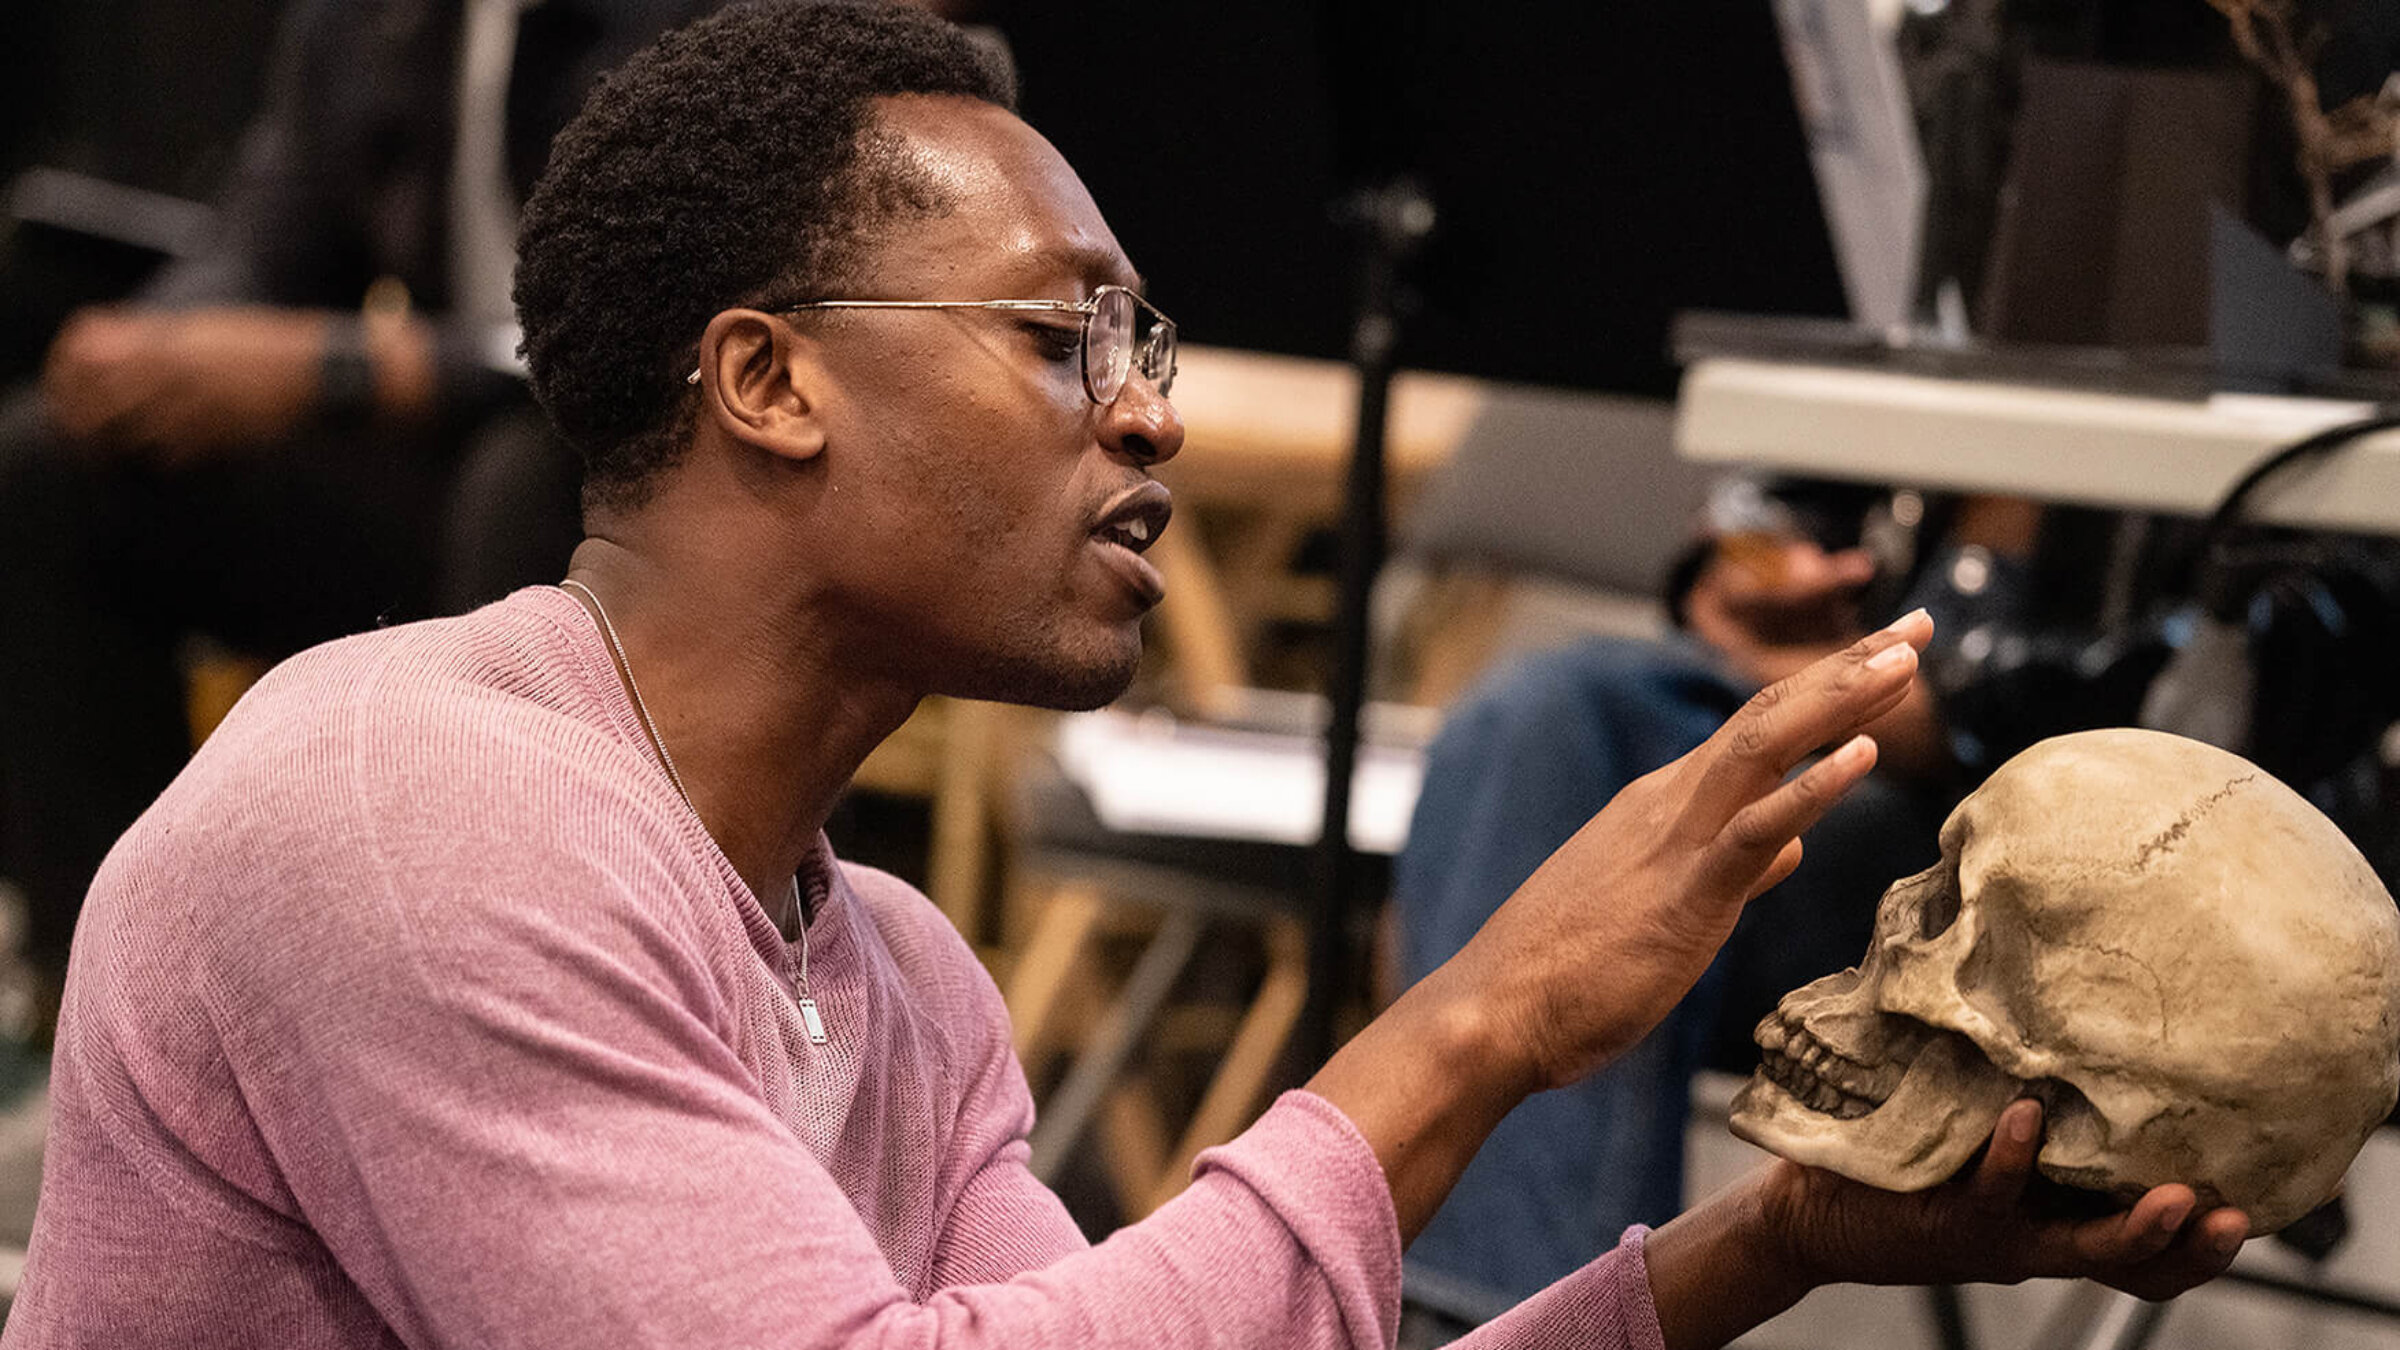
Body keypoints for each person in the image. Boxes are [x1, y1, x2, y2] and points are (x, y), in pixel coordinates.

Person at [5, 5, 2247, 1347]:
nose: (1149, 408)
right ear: (769, 381)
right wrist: (1476, 1024)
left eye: (1147, 343)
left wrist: (1776, 1247)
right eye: (1062, 331)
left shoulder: (892, 968)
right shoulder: (407, 808)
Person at [0, 0, 721, 1000]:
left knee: (515, 482)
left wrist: (346, 367)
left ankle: (489, 988)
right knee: (55, 467)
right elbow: (263, 241)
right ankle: (121, 998)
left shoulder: (682, 21)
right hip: (434, 473)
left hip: (645, 479)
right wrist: (155, 348)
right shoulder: (371, 20)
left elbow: (656, 323)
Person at [1395, 491, 2039, 1303]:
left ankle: (1486, 1309)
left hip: (2003, 831)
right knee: (1538, 726)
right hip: (1821, 722)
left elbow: (2162, 698)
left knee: (1580, 743)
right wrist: (1749, 567)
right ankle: (1484, 1309)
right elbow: (1757, 514)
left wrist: (1938, 701)